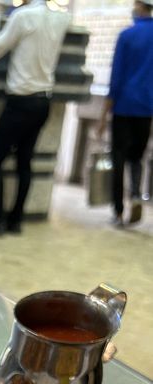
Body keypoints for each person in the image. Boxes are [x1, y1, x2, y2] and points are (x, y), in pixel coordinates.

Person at [0, 0, 70, 235]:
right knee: (25, 161)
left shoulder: (23, 16)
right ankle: (16, 220)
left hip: (19, 100)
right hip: (43, 102)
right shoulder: (63, 18)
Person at [97, 0, 153, 227]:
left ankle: (119, 211)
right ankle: (136, 196)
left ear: (139, 7)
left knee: (118, 157)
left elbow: (116, 77)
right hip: (146, 108)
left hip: (123, 106)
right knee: (137, 157)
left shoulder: (127, 35)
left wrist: (104, 115)